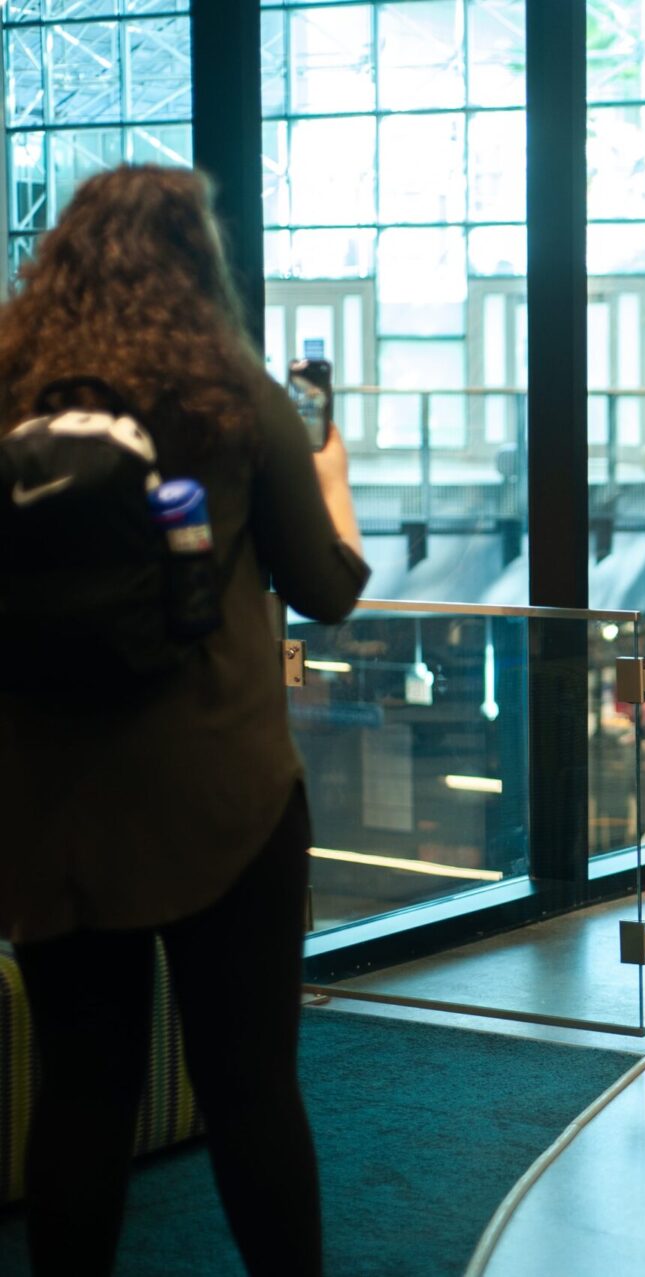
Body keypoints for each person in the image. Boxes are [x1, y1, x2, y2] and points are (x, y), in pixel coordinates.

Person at [0, 166, 368, 1275]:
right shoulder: (228, 391)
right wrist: (331, 474)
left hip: (42, 809)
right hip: (222, 802)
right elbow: (325, 585)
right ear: (196, 260)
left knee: (80, 1092)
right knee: (251, 1086)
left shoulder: (9, 387)